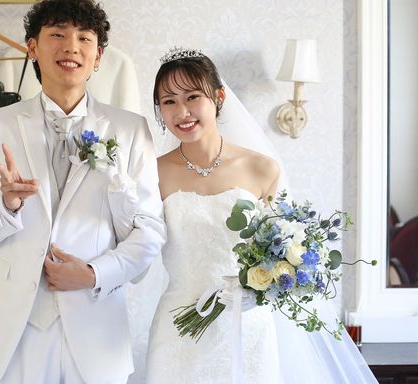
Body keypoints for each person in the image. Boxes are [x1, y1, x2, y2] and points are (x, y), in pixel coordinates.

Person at [0, 0, 166, 384]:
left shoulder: (130, 130)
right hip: (17, 334)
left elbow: (150, 232)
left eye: (84, 38)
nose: (71, 46)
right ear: (32, 47)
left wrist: (93, 273)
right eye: (57, 34)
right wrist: (6, 206)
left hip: (97, 328)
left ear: (98, 56)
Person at [145, 48, 378, 384]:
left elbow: (287, 246)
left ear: (219, 97)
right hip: (177, 329)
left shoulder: (262, 168)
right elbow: (140, 242)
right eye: (169, 101)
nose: (182, 111)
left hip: (247, 327)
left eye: (193, 96)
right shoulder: (151, 172)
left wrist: (258, 290)